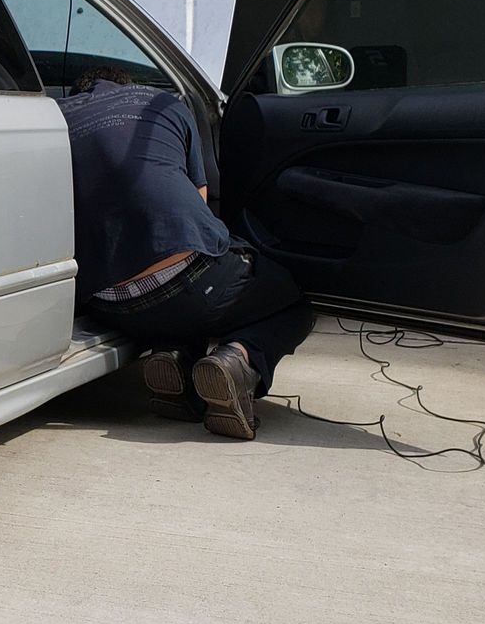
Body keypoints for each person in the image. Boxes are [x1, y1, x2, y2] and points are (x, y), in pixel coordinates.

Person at [60, 66, 313, 438]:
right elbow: (199, 201)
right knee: (292, 303)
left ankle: (175, 358)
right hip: (191, 284)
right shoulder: (161, 104)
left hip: (109, 306)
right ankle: (239, 360)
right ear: (126, 84)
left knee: (180, 307)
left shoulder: (57, 120)